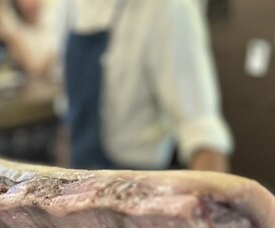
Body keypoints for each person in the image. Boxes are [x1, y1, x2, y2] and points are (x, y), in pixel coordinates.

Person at [57, 0, 233, 172]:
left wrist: (211, 189)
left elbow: (200, 127)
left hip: (137, 176)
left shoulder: (169, 8)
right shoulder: (69, 5)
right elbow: (70, 108)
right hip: (78, 169)